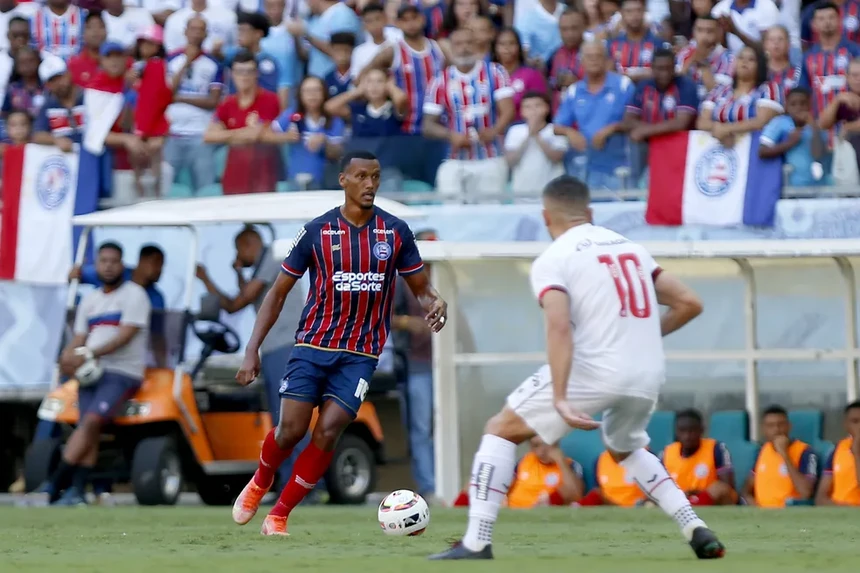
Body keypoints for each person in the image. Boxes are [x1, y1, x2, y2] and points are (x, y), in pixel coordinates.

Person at [428, 175, 724, 561]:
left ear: (545, 216)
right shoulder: (631, 249)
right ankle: (694, 527)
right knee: (626, 447)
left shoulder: (555, 258)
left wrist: (561, 396)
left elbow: (559, 325)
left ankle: (476, 542)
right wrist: (642, 337)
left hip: (597, 366)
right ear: (590, 212)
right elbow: (690, 303)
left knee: (500, 430)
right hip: (648, 371)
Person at [230, 149, 448, 536]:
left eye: (375, 177)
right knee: (290, 431)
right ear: (343, 180)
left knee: (329, 431)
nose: (369, 184)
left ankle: (279, 514)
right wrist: (252, 349)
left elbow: (421, 288)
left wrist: (435, 302)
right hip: (313, 347)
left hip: (360, 356)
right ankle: (261, 479)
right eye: (361, 177)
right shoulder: (317, 232)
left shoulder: (394, 232)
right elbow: (278, 292)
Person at [37, 242, 151, 505]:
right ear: (96, 265)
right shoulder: (90, 300)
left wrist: (89, 353)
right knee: (88, 427)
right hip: (90, 372)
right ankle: (77, 491)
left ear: (122, 265)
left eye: (114, 261)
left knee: (90, 423)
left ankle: (55, 483)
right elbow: (79, 336)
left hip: (122, 372)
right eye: (103, 261)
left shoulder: (135, 295)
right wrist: (67, 356)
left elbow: (125, 335)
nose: (108, 266)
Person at [195, 225, 306, 491]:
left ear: (248, 245)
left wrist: (205, 279)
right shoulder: (264, 266)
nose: (238, 256)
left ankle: (301, 483)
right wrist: (237, 272)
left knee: (289, 417)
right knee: (280, 418)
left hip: (284, 346)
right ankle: (287, 481)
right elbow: (249, 295)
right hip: (274, 348)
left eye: (238, 251)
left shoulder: (273, 259)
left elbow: (237, 304)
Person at [422, 27, 514, 198]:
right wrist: (451, 136)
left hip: (491, 157)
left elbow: (508, 110)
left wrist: (493, 131)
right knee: (451, 211)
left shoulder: (495, 72)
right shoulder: (439, 81)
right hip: (454, 160)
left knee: (491, 210)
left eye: (469, 43)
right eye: (458, 44)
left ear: (477, 46)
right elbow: (428, 126)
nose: (464, 48)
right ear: (451, 47)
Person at [553, 40, 634, 192]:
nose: (594, 60)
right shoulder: (574, 90)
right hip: (586, 165)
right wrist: (570, 132)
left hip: (619, 164)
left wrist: (611, 128)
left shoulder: (623, 85)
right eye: (589, 57)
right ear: (581, 61)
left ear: (606, 60)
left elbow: (635, 121)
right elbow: (557, 126)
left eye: (598, 56)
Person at [696, 46, 783, 147]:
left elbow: (762, 121)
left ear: (760, 65)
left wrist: (728, 129)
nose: (744, 62)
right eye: (741, 58)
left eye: (751, 59)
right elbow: (702, 122)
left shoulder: (768, 89)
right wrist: (718, 128)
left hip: (756, 153)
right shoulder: (720, 90)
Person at [740, 405, 818, 508]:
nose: (776, 430)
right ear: (764, 429)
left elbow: (806, 493)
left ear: (789, 426)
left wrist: (784, 454)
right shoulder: (762, 451)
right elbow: (746, 490)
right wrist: (754, 507)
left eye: (781, 425)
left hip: (789, 513)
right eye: (770, 426)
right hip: (762, 514)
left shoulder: (805, 452)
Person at [660, 409, 738, 506]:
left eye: (692, 431)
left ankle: (693, 506)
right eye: (682, 431)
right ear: (676, 432)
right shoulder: (667, 453)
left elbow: (727, 487)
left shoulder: (716, 448)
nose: (687, 436)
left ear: (701, 430)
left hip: (708, 501)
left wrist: (698, 493)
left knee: (719, 488)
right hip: (678, 500)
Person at [759, 87, 827, 187]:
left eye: (803, 103)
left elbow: (818, 154)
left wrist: (813, 126)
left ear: (810, 105)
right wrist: (790, 143)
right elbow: (762, 151)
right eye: (793, 104)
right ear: (786, 106)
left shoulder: (816, 126)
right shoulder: (779, 123)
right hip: (787, 186)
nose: (798, 108)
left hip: (817, 185)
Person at [504, 91, 568, 195]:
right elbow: (510, 161)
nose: (533, 110)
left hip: (552, 190)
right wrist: (529, 136)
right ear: (522, 112)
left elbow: (557, 157)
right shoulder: (515, 131)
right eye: (527, 107)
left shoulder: (556, 130)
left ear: (546, 108)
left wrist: (537, 135)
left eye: (538, 105)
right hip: (521, 190)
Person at [608, 0, 671, 83]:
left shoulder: (658, 44)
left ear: (644, 11)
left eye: (638, 10)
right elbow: (607, 74)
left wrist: (625, 76)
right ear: (622, 14)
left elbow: (665, 73)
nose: (634, 15)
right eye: (629, 11)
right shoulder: (613, 44)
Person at [815, 400, 860, 506]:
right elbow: (821, 497)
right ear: (846, 425)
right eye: (855, 421)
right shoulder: (838, 449)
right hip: (838, 513)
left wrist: (857, 453)